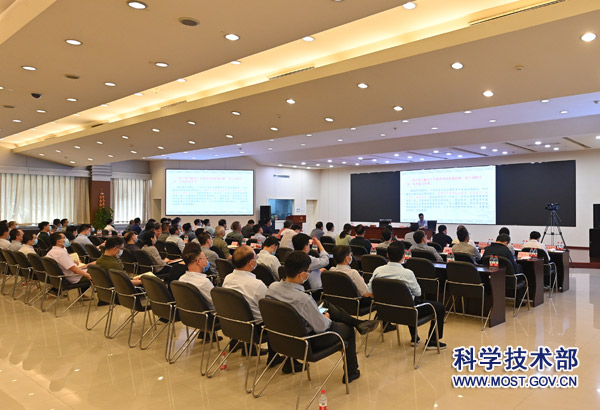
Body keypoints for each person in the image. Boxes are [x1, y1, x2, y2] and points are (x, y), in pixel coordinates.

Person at [266, 251, 379, 383]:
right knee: (347, 330)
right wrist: (326, 317)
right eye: (309, 271)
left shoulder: (272, 288)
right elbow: (322, 327)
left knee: (324, 304)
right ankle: (352, 371)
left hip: (283, 335)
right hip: (309, 340)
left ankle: (358, 323)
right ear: (302, 274)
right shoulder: (303, 299)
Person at [366, 241, 446, 349]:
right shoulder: (407, 273)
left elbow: (369, 291)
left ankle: (414, 337)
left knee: (406, 299)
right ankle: (432, 341)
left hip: (385, 313)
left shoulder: (378, 271)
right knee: (439, 307)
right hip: (408, 313)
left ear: (387, 255)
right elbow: (418, 292)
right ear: (404, 255)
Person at [222, 245, 267, 323]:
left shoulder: (227, 278)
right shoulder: (257, 285)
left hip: (232, 322)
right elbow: (268, 309)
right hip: (256, 326)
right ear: (251, 262)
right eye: (256, 258)